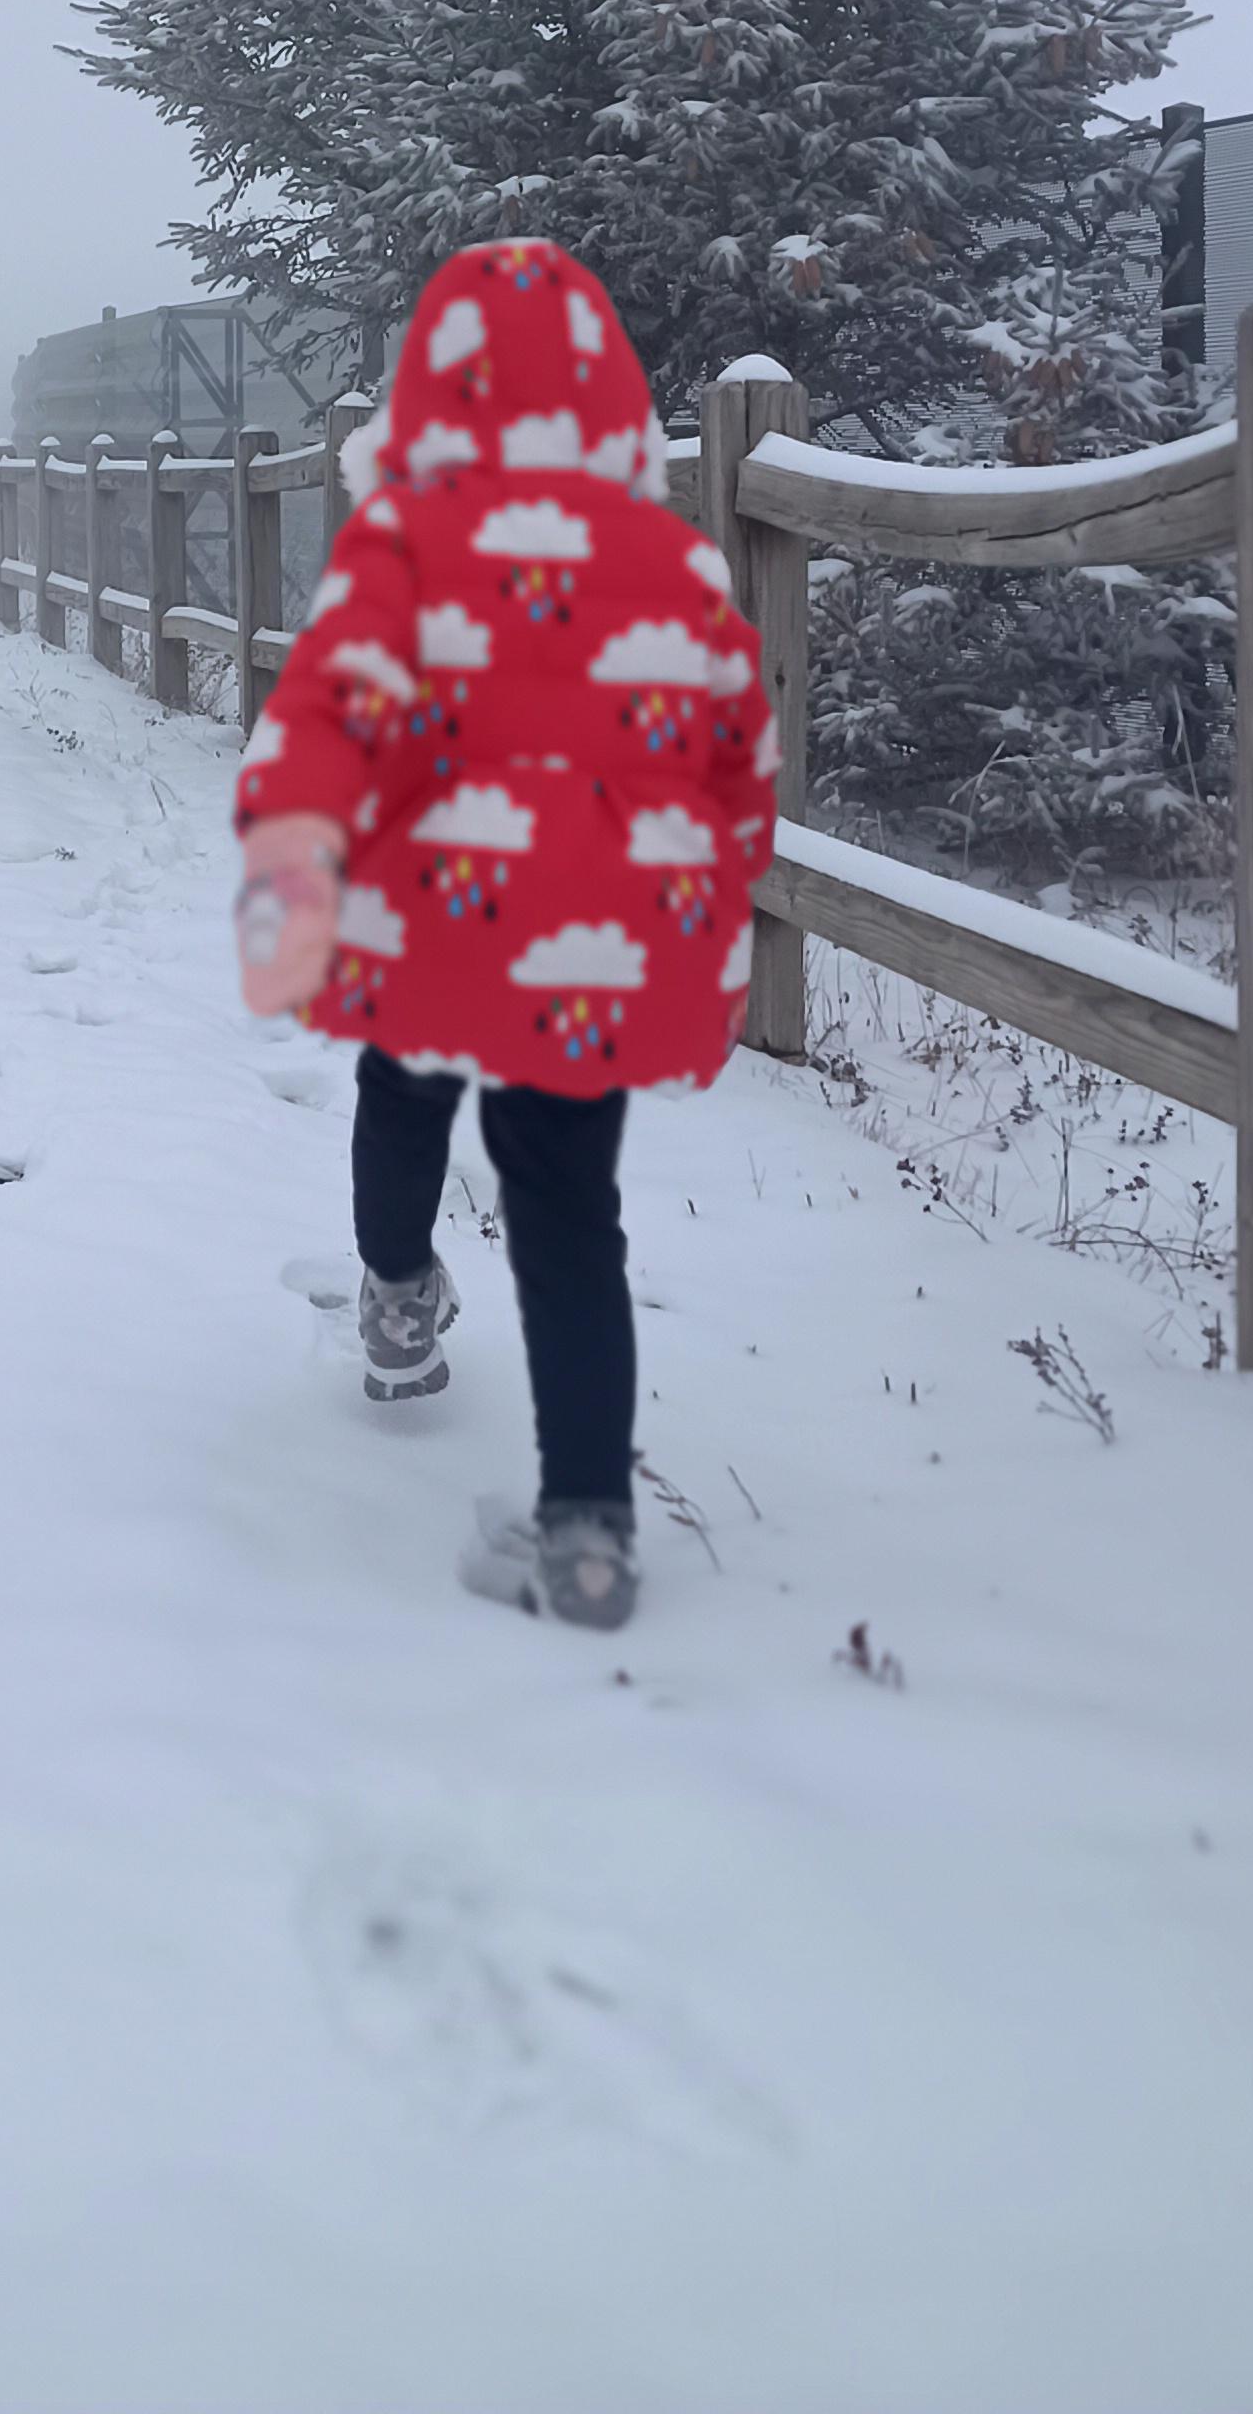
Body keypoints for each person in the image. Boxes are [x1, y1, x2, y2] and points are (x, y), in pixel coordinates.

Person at [233, 240, 778, 1628]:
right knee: (567, 1208)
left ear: (431, 395)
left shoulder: (404, 546)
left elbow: (323, 715)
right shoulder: (674, 562)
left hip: (438, 922)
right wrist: (719, 915)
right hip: (595, 950)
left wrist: (291, 876)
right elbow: (737, 760)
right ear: (611, 402)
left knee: (401, 1088)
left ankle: (397, 1302)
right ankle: (588, 1533)